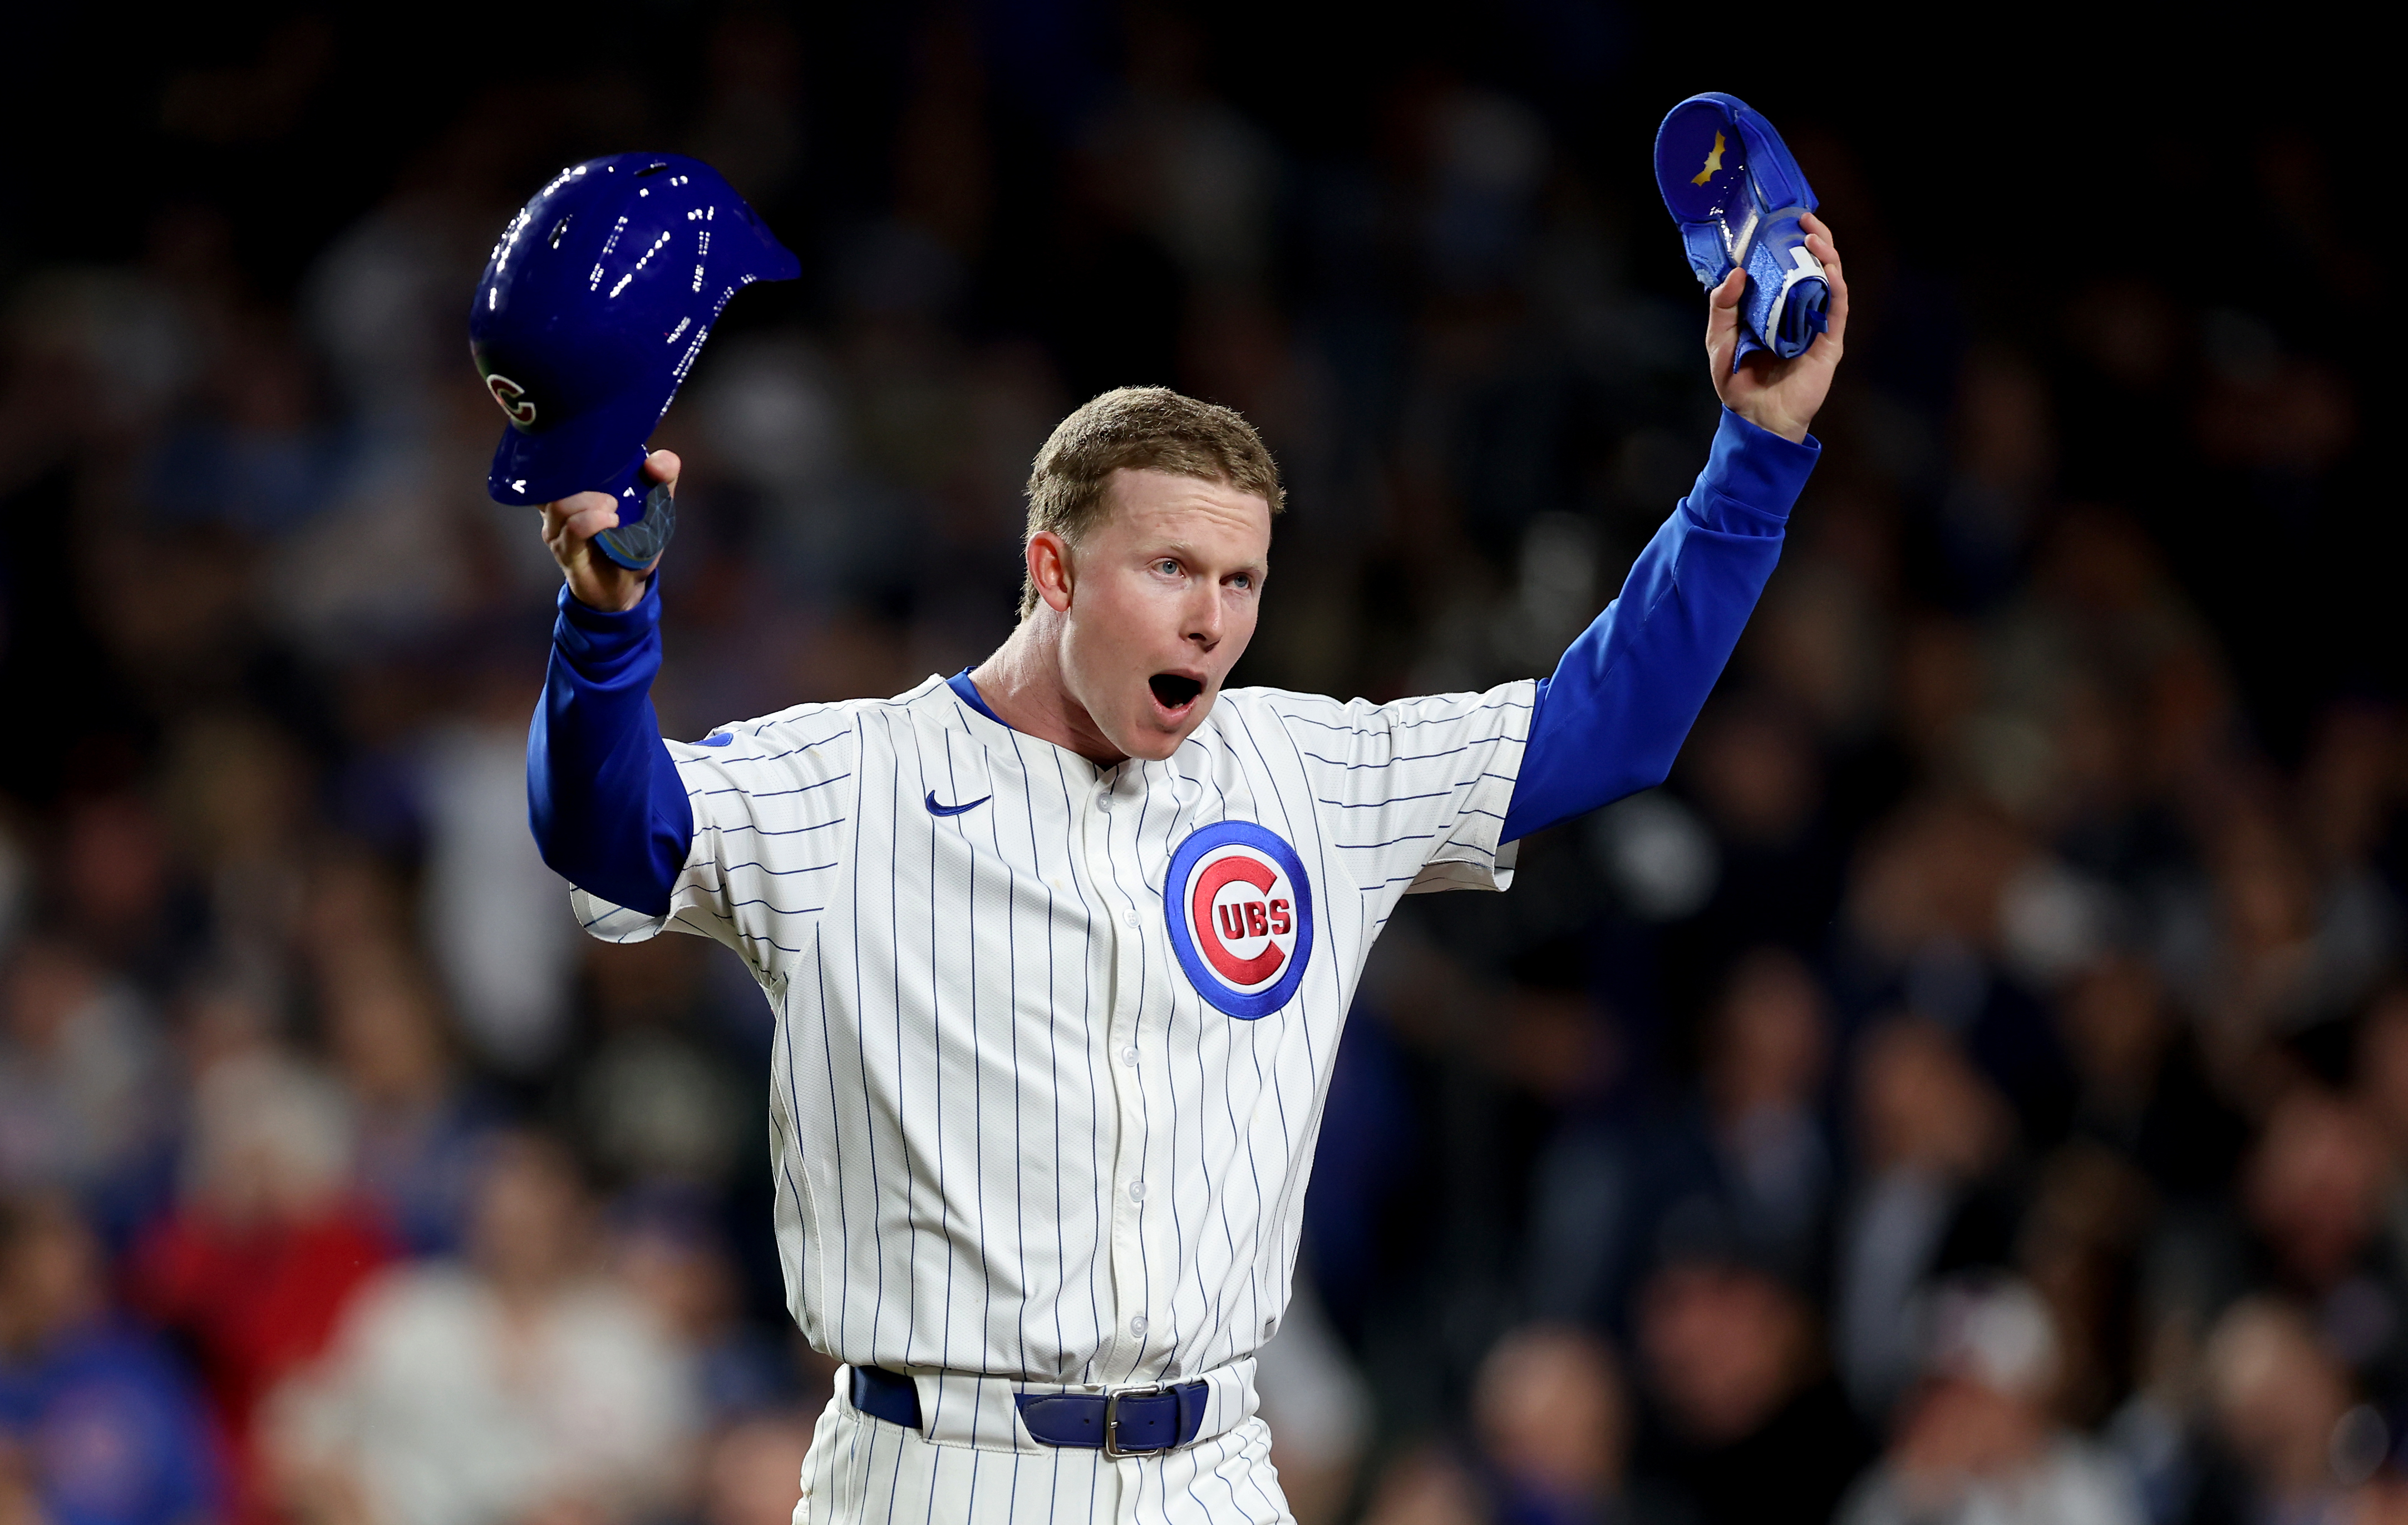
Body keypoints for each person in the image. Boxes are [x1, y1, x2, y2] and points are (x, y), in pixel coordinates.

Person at [521, 220, 1849, 1520]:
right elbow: (606, 833)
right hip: (939, 1469)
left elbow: (1608, 724)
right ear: (1051, 568)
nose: (1212, 619)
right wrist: (604, 630)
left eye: (1240, 578)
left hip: (1213, 1466)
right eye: (1170, 568)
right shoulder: (850, 778)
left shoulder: (1306, 771)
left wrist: (1760, 449)